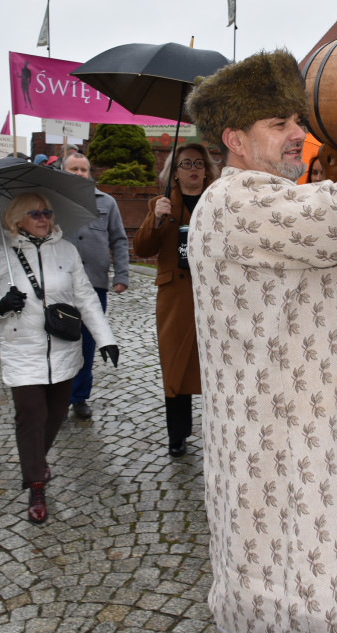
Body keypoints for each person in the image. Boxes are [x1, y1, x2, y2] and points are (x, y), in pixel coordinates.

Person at [184, 49, 337, 633]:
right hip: (282, 439)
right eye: (278, 125)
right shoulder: (238, 200)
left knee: (310, 569)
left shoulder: (279, 201)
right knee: (285, 584)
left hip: (317, 428)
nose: (296, 136)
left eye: (297, 122)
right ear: (234, 137)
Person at [0, 192, 118, 523]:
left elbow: (86, 298)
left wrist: (105, 338)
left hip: (64, 349)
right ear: (16, 220)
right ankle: (36, 485)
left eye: (46, 213)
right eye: (34, 214)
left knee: (54, 416)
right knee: (30, 416)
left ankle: (38, 461)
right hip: (22, 352)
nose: (43, 218)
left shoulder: (67, 251)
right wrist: (1, 305)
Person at [132, 142, 219, 456]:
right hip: (176, 298)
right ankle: (177, 435)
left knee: (215, 364)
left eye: (199, 163)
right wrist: (155, 219)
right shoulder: (162, 202)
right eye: (186, 164)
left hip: (214, 295)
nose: (193, 169)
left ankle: (219, 432)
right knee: (176, 368)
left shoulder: (217, 200)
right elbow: (142, 249)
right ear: (175, 172)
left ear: (207, 170)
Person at [63, 152, 130, 419]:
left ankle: (79, 397)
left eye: (83, 169)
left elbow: (119, 239)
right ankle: (58, 396)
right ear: (63, 171)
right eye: (73, 169)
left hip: (94, 284)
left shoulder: (107, 202)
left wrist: (122, 275)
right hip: (60, 284)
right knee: (60, 341)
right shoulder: (53, 202)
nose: (79, 173)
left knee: (88, 342)